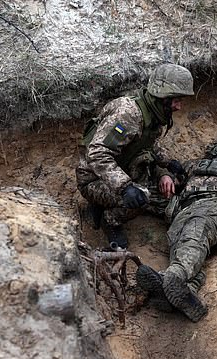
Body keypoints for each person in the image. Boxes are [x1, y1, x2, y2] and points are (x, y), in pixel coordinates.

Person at [135, 136, 217, 322]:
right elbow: (168, 171)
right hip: (184, 208)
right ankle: (186, 291)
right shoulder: (196, 165)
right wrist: (166, 176)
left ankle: (173, 275)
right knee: (180, 238)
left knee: (196, 230)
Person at [76, 63, 195, 248]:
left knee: (167, 191)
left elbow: (149, 144)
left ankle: (105, 204)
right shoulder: (128, 114)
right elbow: (98, 153)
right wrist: (125, 187)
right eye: (176, 100)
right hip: (93, 178)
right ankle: (110, 220)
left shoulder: (154, 114)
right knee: (142, 198)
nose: (179, 106)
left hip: (122, 169)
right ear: (162, 96)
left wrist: (168, 164)